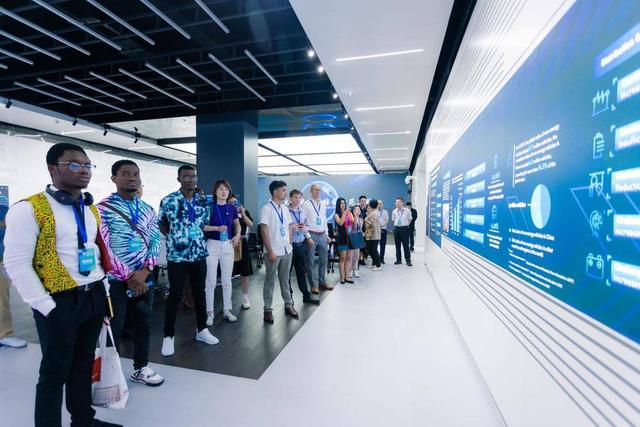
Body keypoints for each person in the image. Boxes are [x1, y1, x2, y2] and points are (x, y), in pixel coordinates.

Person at [4, 143, 120, 427]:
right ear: (52, 169)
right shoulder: (29, 209)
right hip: (58, 300)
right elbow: (16, 263)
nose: (83, 170)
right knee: (54, 372)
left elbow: (93, 252)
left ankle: (83, 420)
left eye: (87, 165)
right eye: (74, 164)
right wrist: (45, 306)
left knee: (83, 364)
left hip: (92, 296)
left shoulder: (89, 209)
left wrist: (103, 293)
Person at [98, 160, 164, 386]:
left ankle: (141, 367)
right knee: (114, 327)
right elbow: (105, 247)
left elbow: (155, 241)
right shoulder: (102, 209)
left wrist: (146, 270)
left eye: (136, 174)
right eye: (125, 174)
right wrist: (129, 276)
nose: (132, 178)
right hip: (116, 281)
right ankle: (109, 376)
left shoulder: (148, 209)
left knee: (144, 322)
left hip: (145, 277)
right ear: (114, 178)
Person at [159, 165, 218, 357]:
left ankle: (202, 329)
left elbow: (204, 223)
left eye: (193, 176)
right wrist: (176, 238)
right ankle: (168, 336)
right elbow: (162, 224)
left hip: (199, 253)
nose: (191, 179)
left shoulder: (203, 200)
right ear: (179, 179)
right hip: (177, 256)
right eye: (186, 176)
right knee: (175, 295)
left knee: (199, 293)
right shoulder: (168, 200)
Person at [204, 180, 241, 325]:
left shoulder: (232, 208)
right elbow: (202, 226)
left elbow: (237, 225)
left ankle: (227, 310)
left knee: (227, 280)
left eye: (226, 189)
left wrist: (238, 234)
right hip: (212, 245)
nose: (224, 192)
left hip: (227, 245)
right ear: (215, 191)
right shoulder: (209, 207)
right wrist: (217, 228)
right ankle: (210, 313)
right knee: (210, 281)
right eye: (221, 189)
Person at [260, 180, 298, 324]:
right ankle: (267, 309)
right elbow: (264, 231)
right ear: (275, 192)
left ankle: (288, 305)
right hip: (273, 251)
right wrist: (270, 251)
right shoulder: (267, 209)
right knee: (270, 281)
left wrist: (290, 242)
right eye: (283, 190)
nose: (285, 192)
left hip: (286, 249)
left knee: (285, 280)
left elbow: (289, 226)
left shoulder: (284, 209)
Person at [0, 202, 27, 349]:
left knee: (1, 300)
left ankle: (4, 335)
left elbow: (14, 233)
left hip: (2, 260)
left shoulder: (4, 210)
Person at [288, 189, 320, 305]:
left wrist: (308, 236)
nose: (298, 200)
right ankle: (289, 298)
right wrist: (293, 228)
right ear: (290, 198)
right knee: (287, 273)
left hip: (301, 244)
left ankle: (306, 296)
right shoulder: (286, 211)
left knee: (302, 272)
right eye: (295, 197)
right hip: (290, 246)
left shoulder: (302, 211)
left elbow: (307, 226)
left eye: (299, 197)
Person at [302, 183, 333, 292]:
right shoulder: (306, 204)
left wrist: (327, 234)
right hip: (312, 234)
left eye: (319, 190)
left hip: (322, 234)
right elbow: (302, 222)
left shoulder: (323, 203)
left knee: (323, 260)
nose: (318, 192)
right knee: (310, 261)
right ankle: (313, 284)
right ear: (311, 191)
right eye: (316, 190)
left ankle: (322, 282)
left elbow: (324, 219)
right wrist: (308, 237)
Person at [229, 194, 253, 309]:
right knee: (228, 272)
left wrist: (243, 214)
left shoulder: (243, 211)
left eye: (235, 202)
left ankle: (245, 297)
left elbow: (251, 224)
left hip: (242, 243)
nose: (234, 204)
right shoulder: (225, 212)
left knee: (245, 271)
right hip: (229, 243)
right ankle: (227, 299)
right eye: (231, 203)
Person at [333, 197, 354, 284]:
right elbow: (341, 223)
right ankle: (342, 277)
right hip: (342, 238)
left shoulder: (349, 213)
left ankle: (347, 276)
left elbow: (353, 222)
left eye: (344, 203)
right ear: (338, 204)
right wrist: (345, 213)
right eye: (341, 203)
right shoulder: (336, 214)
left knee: (349, 258)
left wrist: (354, 215)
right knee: (342, 258)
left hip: (350, 237)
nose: (343, 205)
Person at [392, 197, 412, 267]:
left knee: (406, 245)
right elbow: (393, 220)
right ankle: (398, 260)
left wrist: (404, 225)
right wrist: (398, 225)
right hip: (396, 229)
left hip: (404, 229)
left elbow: (410, 219)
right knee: (397, 245)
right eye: (396, 202)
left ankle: (408, 260)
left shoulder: (407, 211)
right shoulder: (394, 211)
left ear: (402, 203)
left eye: (398, 202)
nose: (396, 203)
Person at [365, 200, 382, 271]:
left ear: (370, 205)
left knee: (373, 250)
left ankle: (378, 265)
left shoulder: (374, 214)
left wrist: (366, 220)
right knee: (372, 250)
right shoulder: (374, 213)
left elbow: (373, 225)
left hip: (373, 235)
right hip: (374, 235)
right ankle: (375, 263)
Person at [348, 205, 363, 279]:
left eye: (359, 209)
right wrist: (355, 217)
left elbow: (359, 228)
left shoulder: (361, 219)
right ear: (353, 211)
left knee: (356, 255)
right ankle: (350, 270)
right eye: (356, 209)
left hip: (358, 238)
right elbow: (354, 227)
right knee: (351, 255)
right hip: (351, 237)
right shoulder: (350, 218)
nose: (358, 210)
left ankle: (355, 270)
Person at [377, 200, 389, 264]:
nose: (380, 205)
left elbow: (386, 220)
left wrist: (381, 225)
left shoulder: (385, 212)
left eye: (381, 204)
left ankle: (381, 259)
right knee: (375, 245)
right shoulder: (374, 212)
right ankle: (376, 258)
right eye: (379, 204)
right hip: (376, 230)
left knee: (383, 245)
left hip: (383, 230)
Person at [357, 195, 368, 266]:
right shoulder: (356, 209)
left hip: (365, 230)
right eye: (362, 201)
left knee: (363, 245)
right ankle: (357, 259)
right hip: (357, 230)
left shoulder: (367, 210)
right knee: (357, 245)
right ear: (359, 201)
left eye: (364, 201)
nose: (363, 203)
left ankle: (360, 259)